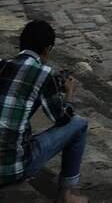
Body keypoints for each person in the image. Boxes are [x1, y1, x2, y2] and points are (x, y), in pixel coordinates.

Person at [0, 19, 89, 203]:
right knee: (79, 124)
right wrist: (69, 93)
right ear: (47, 49)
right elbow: (62, 118)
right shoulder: (44, 72)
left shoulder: (3, 65)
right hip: (9, 169)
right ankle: (66, 195)